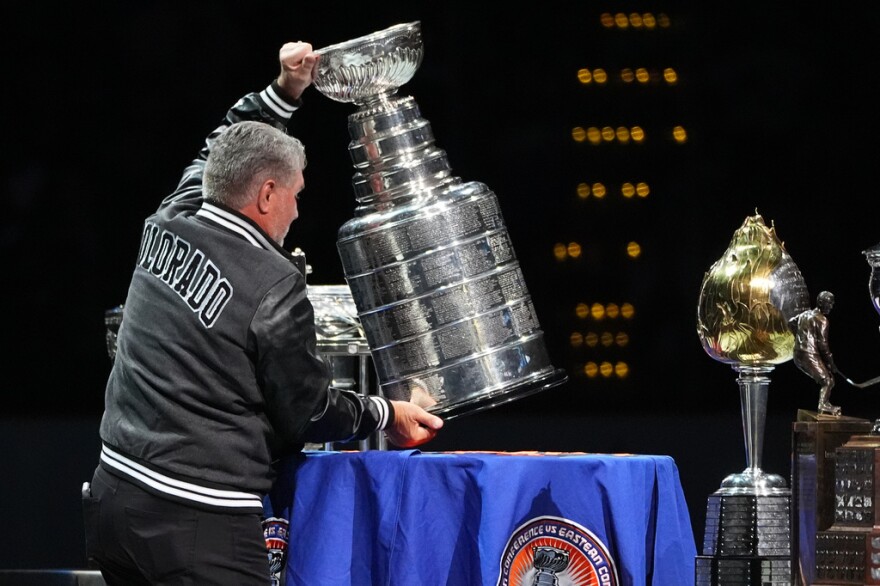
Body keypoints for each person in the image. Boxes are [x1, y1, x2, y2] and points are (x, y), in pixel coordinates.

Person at [82, 40, 444, 585]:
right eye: (296, 194)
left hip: (113, 501)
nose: (299, 209)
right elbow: (309, 412)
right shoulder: (273, 284)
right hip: (196, 526)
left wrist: (284, 91)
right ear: (268, 193)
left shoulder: (168, 218)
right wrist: (387, 414)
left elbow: (219, 149)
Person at [791, 290, 840, 416]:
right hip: (809, 354)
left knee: (830, 380)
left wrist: (799, 337)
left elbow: (791, 322)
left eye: (832, 304)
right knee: (827, 381)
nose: (831, 306)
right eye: (829, 303)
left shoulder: (804, 315)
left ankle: (826, 402)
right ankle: (822, 405)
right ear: (822, 303)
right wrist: (831, 363)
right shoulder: (822, 320)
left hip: (797, 354)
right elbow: (823, 345)